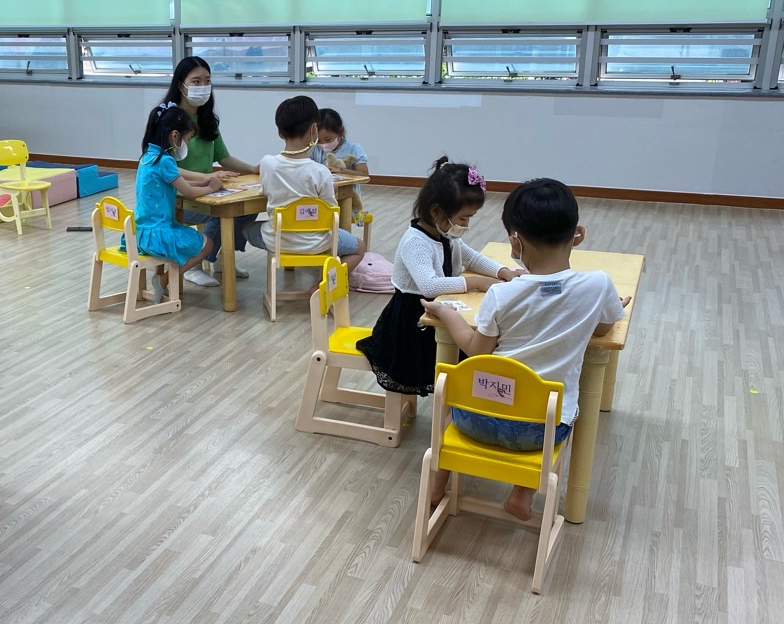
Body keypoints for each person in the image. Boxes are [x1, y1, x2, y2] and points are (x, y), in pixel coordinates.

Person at [420, 178, 629, 519]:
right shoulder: (598, 284)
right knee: (561, 407)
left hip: (475, 419)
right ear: (578, 234)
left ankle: (435, 487)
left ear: (515, 242)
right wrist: (606, 306)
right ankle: (521, 494)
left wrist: (445, 312)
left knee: (448, 415)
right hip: (541, 432)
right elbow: (604, 328)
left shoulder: (502, 294)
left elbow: (476, 351)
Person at [356, 157, 522, 396]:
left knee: (470, 350)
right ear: (436, 211)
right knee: (461, 360)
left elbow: (471, 257)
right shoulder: (416, 242)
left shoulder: (446, 233)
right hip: (412, 322)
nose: (466, 225)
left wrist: (503, 271)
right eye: (463, 218)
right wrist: (476, 282)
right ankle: (454, 402)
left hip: (439, 310)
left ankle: (458, 398)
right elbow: (429, 286)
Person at [153, 57, 259, 288]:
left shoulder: (208, 119)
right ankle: (195, 264)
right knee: (222, 213)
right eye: (196, 81)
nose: (203, 86)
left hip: (205, 191)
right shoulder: (168, 119)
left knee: (247, 207)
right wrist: (206, 177)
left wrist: (254, 169)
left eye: (207, 80)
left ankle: (223, 259)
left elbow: (224, 157)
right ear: (181, 85)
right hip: (179, 196)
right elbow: (162, 165)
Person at [244, 96, 365, 279]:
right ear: (314, 130)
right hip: (318, 242)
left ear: (280, 132)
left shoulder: (267, 164)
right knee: (359, 248)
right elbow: (331, 213)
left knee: (247, 228)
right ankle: (325, 284)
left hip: (277, 240)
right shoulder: (321, 172)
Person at [134, 103, 222, 300]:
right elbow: (189, 192)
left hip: (141, 233)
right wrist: (211, 188)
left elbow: (178, 181)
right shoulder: (165, 160)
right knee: (207, 244)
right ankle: (163, 280)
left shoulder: (148, 156)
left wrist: (204, 181)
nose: (186, 145)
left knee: (186, 235)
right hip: (159, 235)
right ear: (175, 136)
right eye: (187, 139)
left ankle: (162, 280)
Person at [313, 108, 369, 184]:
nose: (323, 144)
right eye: (318, 141)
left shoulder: (353, 148)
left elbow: (364, 175)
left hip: (347, 191)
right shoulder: (314, 149)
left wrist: (341, 170)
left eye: (328, 139)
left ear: (340, 131)